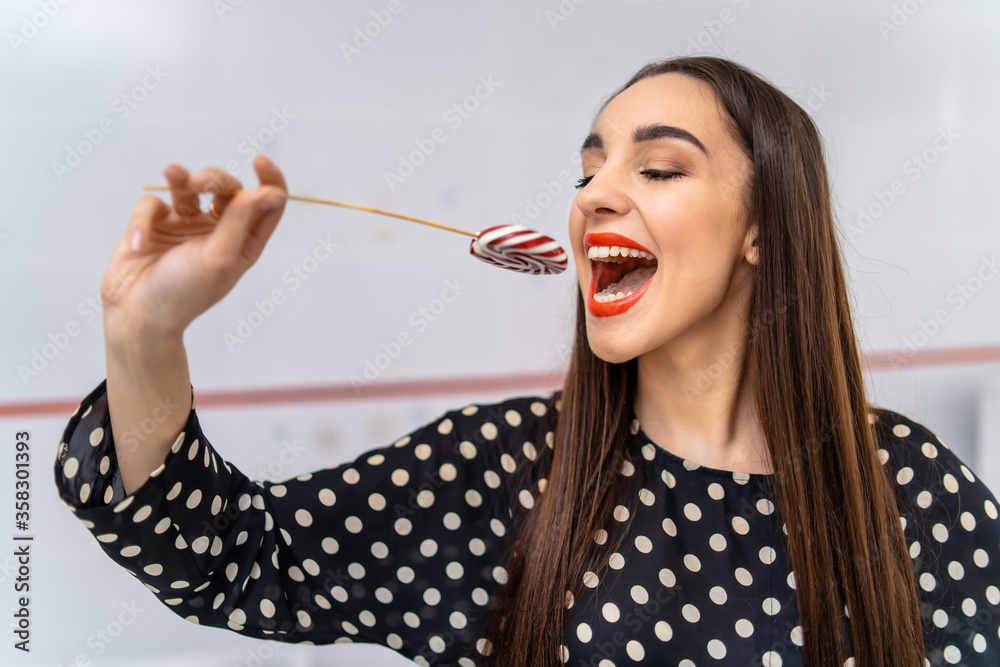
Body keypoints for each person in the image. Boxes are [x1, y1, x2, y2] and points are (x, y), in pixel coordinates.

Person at [53, 55, 999, 667]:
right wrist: (143, 333)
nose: (594, 198)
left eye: (657, 169)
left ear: (762, 227)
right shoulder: (501, 473)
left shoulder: (912, 490)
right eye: (588, 171)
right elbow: (227, 556)